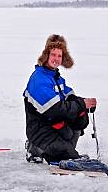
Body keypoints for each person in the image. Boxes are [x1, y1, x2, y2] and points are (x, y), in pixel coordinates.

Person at [24, 34, 98, 162]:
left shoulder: (56, 77)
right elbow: (54, 109)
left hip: (52, 125)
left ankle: (64, 150)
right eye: (53, 55)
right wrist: (81, 104)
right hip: (40, 130)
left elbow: (70, 97)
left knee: (79, 114)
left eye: (59, 56)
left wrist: (85, 103)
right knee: (66, 156)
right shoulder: (39, 79)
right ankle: (35, 148)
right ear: (46, 55)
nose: (56, 59)